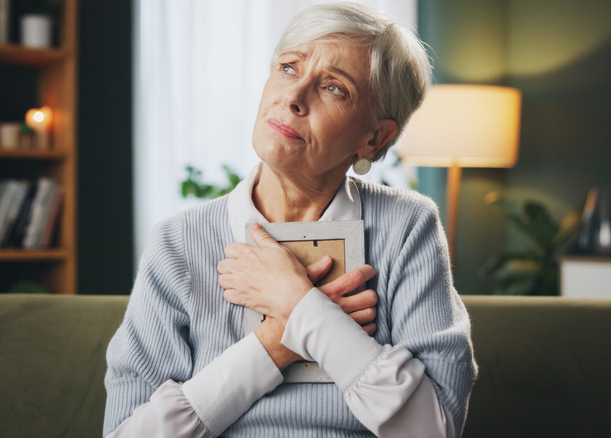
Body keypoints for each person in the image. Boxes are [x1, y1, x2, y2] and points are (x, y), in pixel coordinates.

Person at [103, 3, 476, 437]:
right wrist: (279, 339)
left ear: (374, 138)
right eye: (287, 68)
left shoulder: (407, 227)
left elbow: (434, 429)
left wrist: (297, 302)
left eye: (334, 88)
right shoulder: (178, 241)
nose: (293, 97)